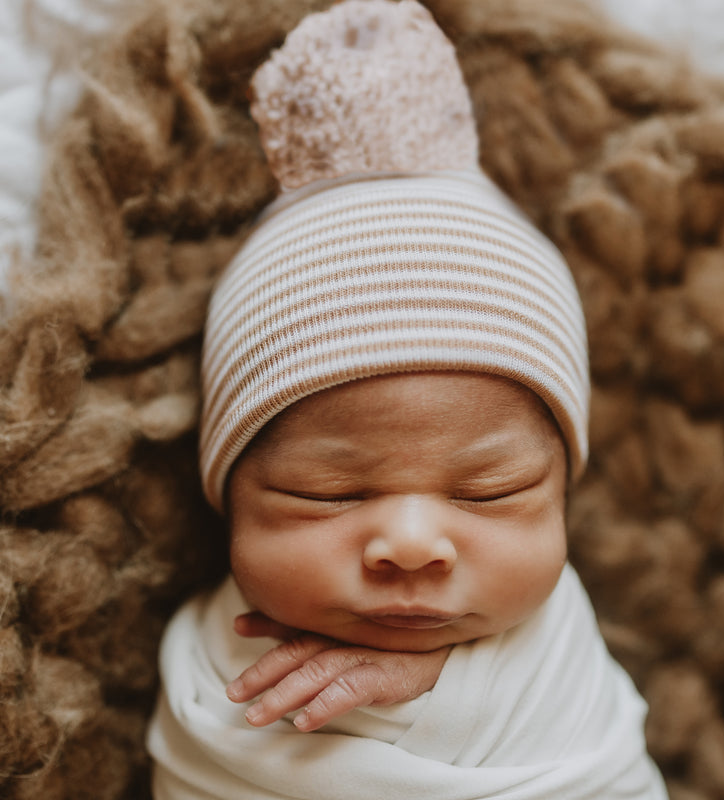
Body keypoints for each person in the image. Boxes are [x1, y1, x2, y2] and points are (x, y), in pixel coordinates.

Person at [147, 1, 669, 797]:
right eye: (329, 493)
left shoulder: (556, 648)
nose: (414, 544)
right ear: (227, 495)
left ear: (563, 490)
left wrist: (439, 687)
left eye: (490, 491)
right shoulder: (205, 677)